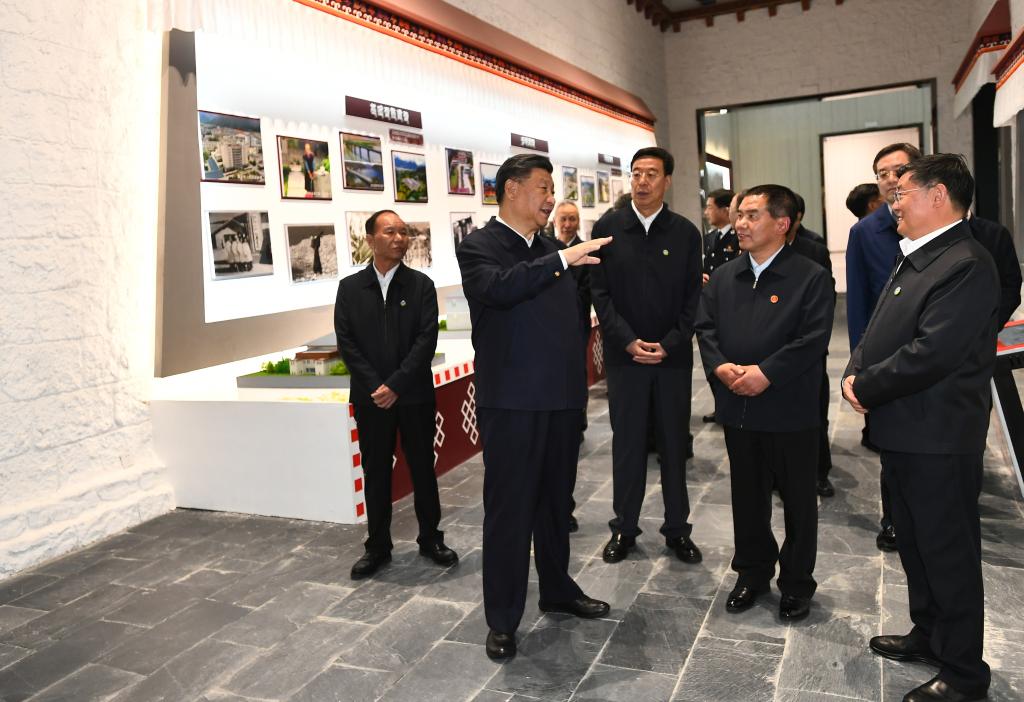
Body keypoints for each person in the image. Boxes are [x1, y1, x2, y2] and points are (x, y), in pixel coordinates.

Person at [842, 154, 997, 702]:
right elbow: (877, 324)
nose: (893, 203)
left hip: (938, 435)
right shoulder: (919, 253)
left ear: (938, 196)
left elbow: (933, 352)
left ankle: (963, 673)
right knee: (914, 542)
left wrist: (867, 385)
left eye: (902, 193)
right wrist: (855, 368)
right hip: (904, 431)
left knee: (947, 552)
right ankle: (929, 633)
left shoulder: (966, 262)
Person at [456, 154, 612, 661]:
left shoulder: (551, 249)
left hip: (561, 401)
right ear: (511, 189)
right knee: (510, 511)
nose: (551, 198)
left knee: (555, 505)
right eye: (543, 187)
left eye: (551, 188)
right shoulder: (480, 247)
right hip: (513, 404)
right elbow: (500, 289)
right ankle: (502, 618)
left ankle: (558, 589)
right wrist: (563, 260)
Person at [696, 184, 833, 622]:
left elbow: (812, 339)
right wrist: (720, 367)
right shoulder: (724, 277)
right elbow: (706, 328)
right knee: (747, 497)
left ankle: (796, 583)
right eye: (739, 214)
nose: (740, 223)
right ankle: (752, 574)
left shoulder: (810, 277)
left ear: (782, 223)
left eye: (752, 215)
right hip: (739, 408)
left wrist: (766, 373)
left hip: (791, 409)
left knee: (798, 501)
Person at [590, 146, 703, 566]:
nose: (642, 181)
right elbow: (599, 293)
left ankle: (677, 530)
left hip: (672, 359)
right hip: (625, 359)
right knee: (628, 444)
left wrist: (670, 343)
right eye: (636, 173)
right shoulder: (608, 228)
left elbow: (694, 298)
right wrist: (626, 340)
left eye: (651, 174)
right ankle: (624, 528)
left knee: (674, 445)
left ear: (667, 181)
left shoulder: (685, 233)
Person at [334, 210, 458, 580]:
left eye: (403, 232)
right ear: (370, 239)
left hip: (414, 395)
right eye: (390, 232)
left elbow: (426, 340)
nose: (400, 238)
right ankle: (377, 546)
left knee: (422, 468)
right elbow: (347, 343)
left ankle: (431, 539)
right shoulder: (350, 289)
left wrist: (397, 385)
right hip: (371, 398)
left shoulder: (421, 285)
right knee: (375, 472)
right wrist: (377, 386)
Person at [845, 141, 923, 552]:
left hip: (938, 350)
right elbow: (858, 303)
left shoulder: (941, 221)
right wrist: (860, 365)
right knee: (890, 446)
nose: (891, 179)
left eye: (899, 170)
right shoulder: (865, 232)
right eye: (882, 174)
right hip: (889, 357)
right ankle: (893, 519)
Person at [786, 206, 837, 498]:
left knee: (815, 412)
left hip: (808, 348)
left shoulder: (813, 249)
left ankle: (819, 472)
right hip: (772, 349)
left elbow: (826, 297)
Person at [553, 200, 592, 533]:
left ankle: (578, 418)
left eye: (573, 219)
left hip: (574, 333)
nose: (568, 223)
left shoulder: (584, 253)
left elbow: (585, 296)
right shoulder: (548, 251)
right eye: (564, 218)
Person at [700, 188, 739, 424]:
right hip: (711, 303)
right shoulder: (710, 238)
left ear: (725, 210)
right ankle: (720, 405)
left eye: (710, 207)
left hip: (731, 305)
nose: (706, 212)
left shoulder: (737, 238)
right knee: (712, 358)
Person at [967, 213, 1022, 328]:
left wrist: (990, 326)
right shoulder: (932, 233)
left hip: (985, 327)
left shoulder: (996, 234)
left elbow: (1011, 286)